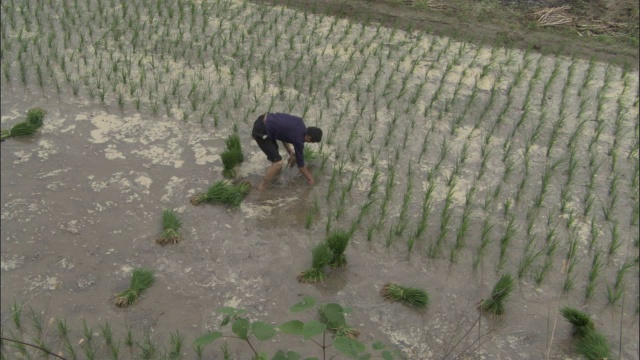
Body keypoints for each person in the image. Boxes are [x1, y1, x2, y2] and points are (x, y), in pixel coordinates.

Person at [251, 113, 323, 190]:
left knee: (275, 154)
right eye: (311, 142)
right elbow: (301, 166)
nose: (307, 142)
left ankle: (273, 175)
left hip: (264, 119)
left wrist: (290, 152)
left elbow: (283, 134)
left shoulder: (299, 122)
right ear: (308, 137)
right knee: (278, 163)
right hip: (261, 131)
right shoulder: (299, 140)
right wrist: (310, 179)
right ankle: (262, 186)